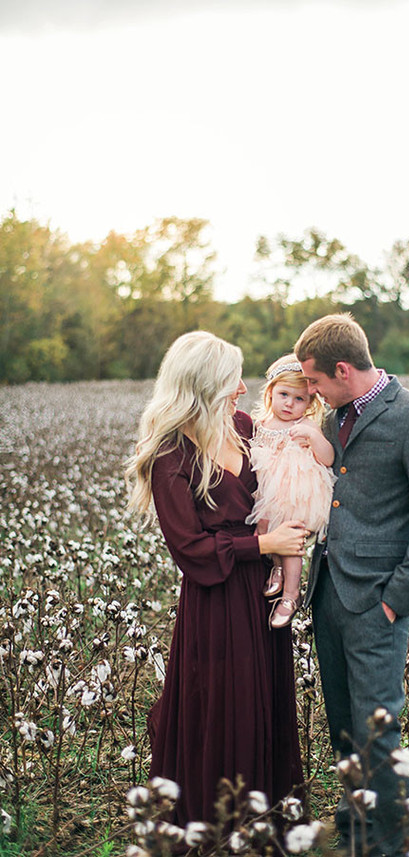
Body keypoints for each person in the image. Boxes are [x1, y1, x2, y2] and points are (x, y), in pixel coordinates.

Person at [125, 331, 306, 831]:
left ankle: (263, 815)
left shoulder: (244, 425)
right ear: (204, 386)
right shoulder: (170, 456)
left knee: (263, 698)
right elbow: (190, 551)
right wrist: (264, 547)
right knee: (226, 702)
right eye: (232, 380)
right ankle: (219, 820)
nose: (243, 388)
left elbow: (289, 467)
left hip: (261, 591)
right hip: (216, 597)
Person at [294, 314, 409, 857]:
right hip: (328, 593)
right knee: (342, 722)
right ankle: (357, 822)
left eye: (314, 380)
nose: (310, 391)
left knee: (378, 727)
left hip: (377, 603)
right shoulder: (335, 416)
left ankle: (395, 841)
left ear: (343, 369)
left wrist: (394, 603)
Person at [246, 354, 335, 628]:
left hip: (296, 491)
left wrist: (313, 438)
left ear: (309, 404)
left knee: (291, 542)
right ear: (270, 392)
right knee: (265, 530)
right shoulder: (258, 425)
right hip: (265, 490)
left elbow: (328, 457)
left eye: (299, 399)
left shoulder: (305, 425)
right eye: (284, 394)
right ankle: (277, 568)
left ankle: (291, 594)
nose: (289, 404)